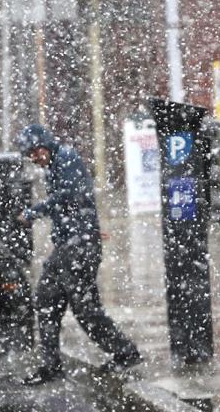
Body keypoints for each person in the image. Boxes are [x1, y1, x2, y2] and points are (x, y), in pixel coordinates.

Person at [15, 124, 141, 385]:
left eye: (36, 152)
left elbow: (70, 195)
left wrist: (34, 211)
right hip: (69, 246)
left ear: (46, 145)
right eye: (31, 155)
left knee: (85, 310)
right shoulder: (55, 165)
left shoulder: (67, 159)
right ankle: (52, 365)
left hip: (79, 248)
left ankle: (125, 352)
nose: (35, 159)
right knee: (47, 301)